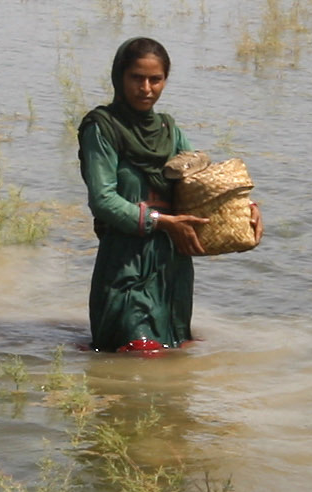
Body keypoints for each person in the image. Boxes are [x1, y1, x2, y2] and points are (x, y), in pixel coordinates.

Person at [77, 36, 261, 353]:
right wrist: (162, 222)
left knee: (174, 349)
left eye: (155, 79)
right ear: (119, 77)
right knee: (139, 353)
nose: (146, 88)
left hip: (172, 265)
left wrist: (244, 210)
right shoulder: (102, 128)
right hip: (126, 262)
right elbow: (103, 199)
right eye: (137, 78)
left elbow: (198, 186)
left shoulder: (168, 131)